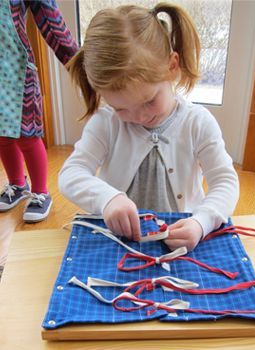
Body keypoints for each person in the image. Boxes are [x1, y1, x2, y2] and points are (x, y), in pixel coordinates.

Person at [59, 2, 239, 251]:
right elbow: (71, 174)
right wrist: (107, 199)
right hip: (118, 242)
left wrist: (202, 222)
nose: (139, 117)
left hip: (183, 238)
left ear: (172, 66)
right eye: (121, 108)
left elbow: (225, 181)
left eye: (149, 101)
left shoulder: (198, 122)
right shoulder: (105, 122)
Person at [0, 0, 78, 222]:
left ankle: (40, 192)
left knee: (28, 134)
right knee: (2, 136)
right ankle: (16, 183)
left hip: (18, 71)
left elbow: (49, 18)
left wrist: (77, 62)